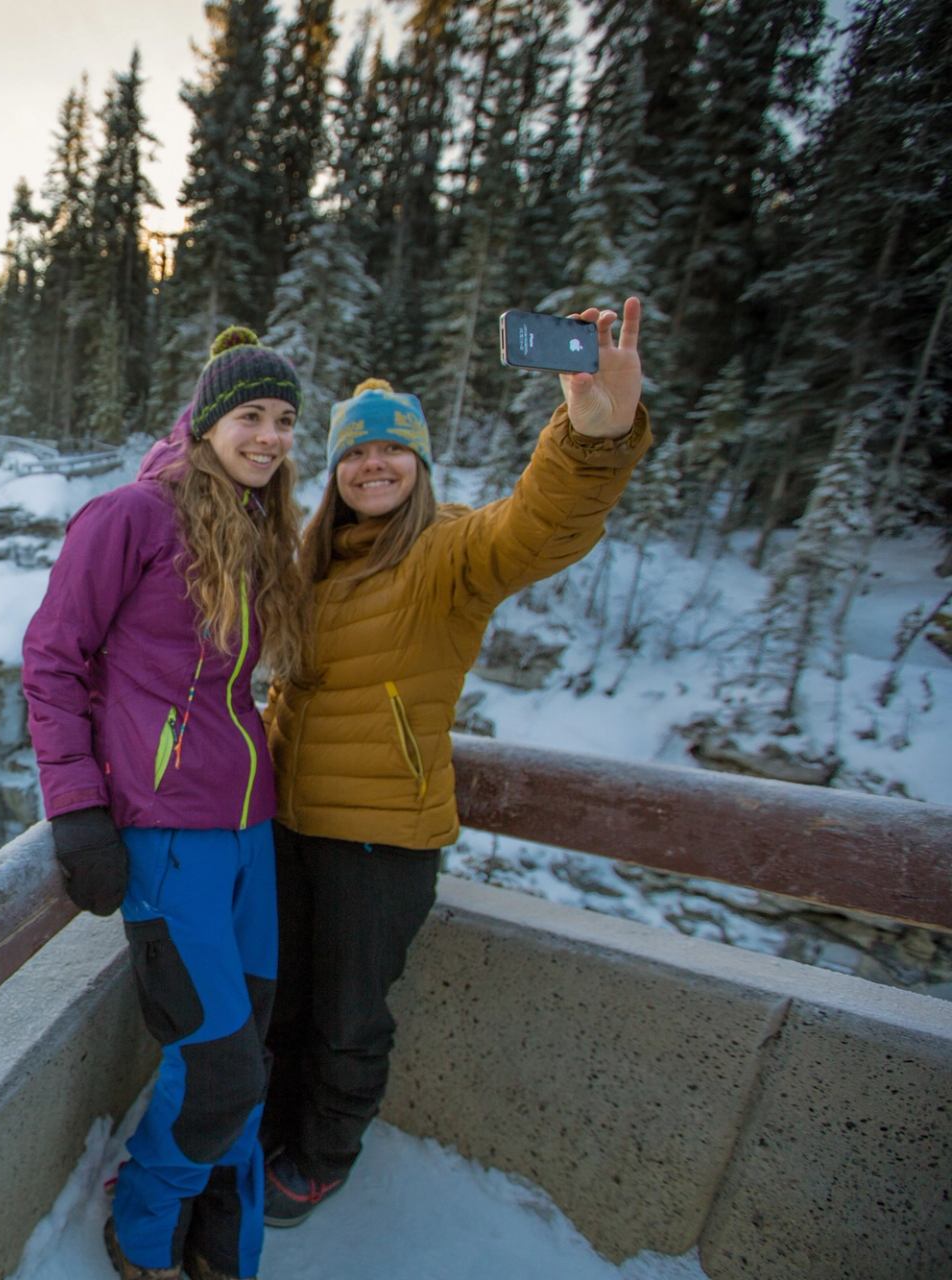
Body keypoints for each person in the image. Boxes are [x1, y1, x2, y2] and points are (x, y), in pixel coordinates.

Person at [258, 299, 651, 1226]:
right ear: (337, 469)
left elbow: (539, 527)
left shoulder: (446, 553)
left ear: (420, 464)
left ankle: (319, 1158)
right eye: (356, 451)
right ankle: (264, 1131)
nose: (373, 463)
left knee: (348, 1017)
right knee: (279, 1003)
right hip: (283, 826)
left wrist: (593, 438)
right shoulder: (308, 561)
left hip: (379, 844)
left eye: (393, 449)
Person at [22, 327, 305, 1280]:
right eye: (251, 417)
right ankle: (143, 1229)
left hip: (249, 831)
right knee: (218, 1058)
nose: (268, 437)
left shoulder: (257, 527)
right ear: (209, 421)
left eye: (284, 421)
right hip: (169, 838)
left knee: (242, 1044)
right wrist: (76, 809)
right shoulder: (132, 517)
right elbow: (51, 660)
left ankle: (225, 1233)